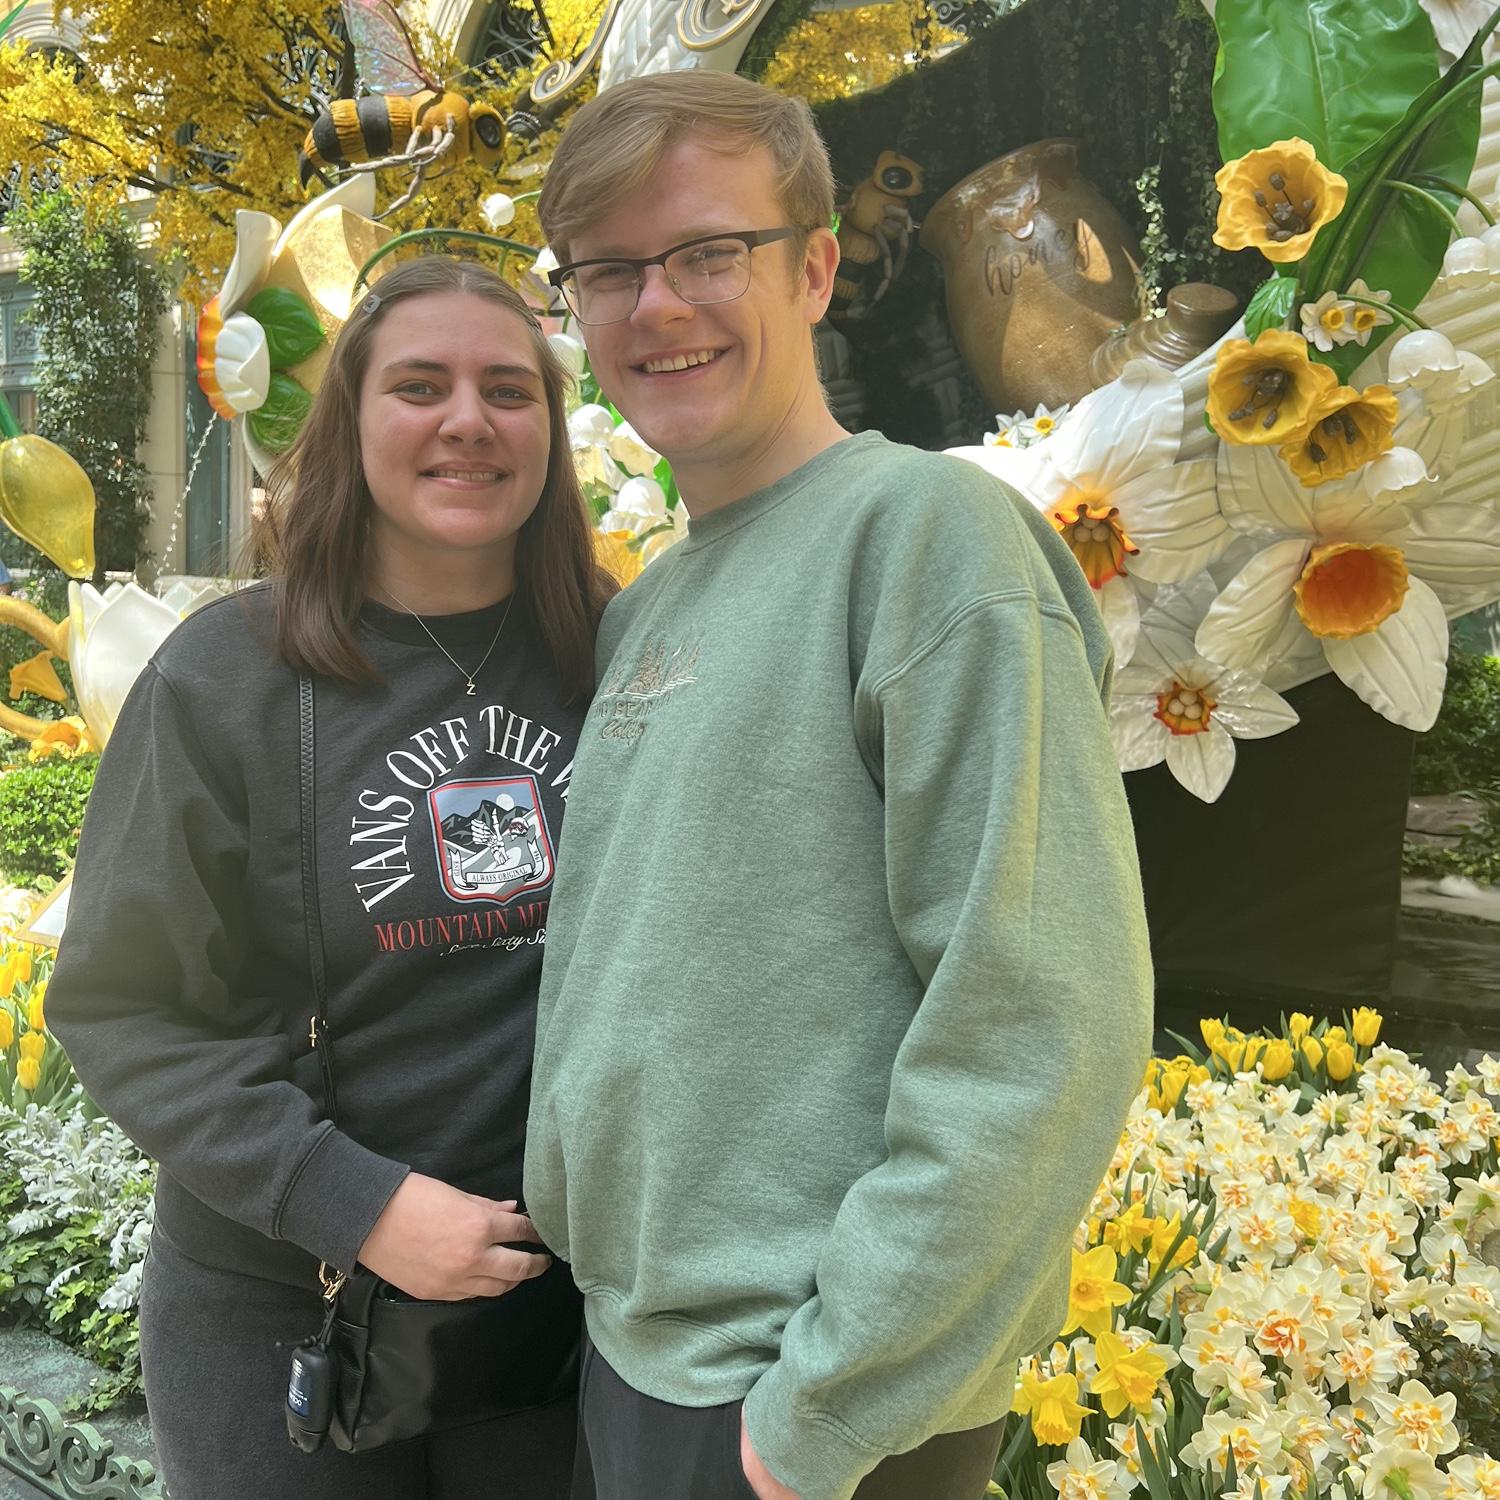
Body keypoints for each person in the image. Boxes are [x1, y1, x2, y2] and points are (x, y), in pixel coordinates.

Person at [524, 72, 1154, 1500]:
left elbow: (1044, 1018)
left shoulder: (931, 541)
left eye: (706, 253)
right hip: (643, 1364)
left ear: (815, 267)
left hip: (800, 1407)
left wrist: (820, 1408)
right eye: (610, 271)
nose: (657, 305)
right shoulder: (654, 598)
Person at [47, 256, 615, 1500]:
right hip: (285, 1311)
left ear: (551, 434)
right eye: (421, 384)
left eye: (508, 389)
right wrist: (353, 1203)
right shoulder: (223, 680)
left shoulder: (613, 660)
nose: (469, 419)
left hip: (552, 1321)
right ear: (350, 421)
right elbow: (118, 1008)